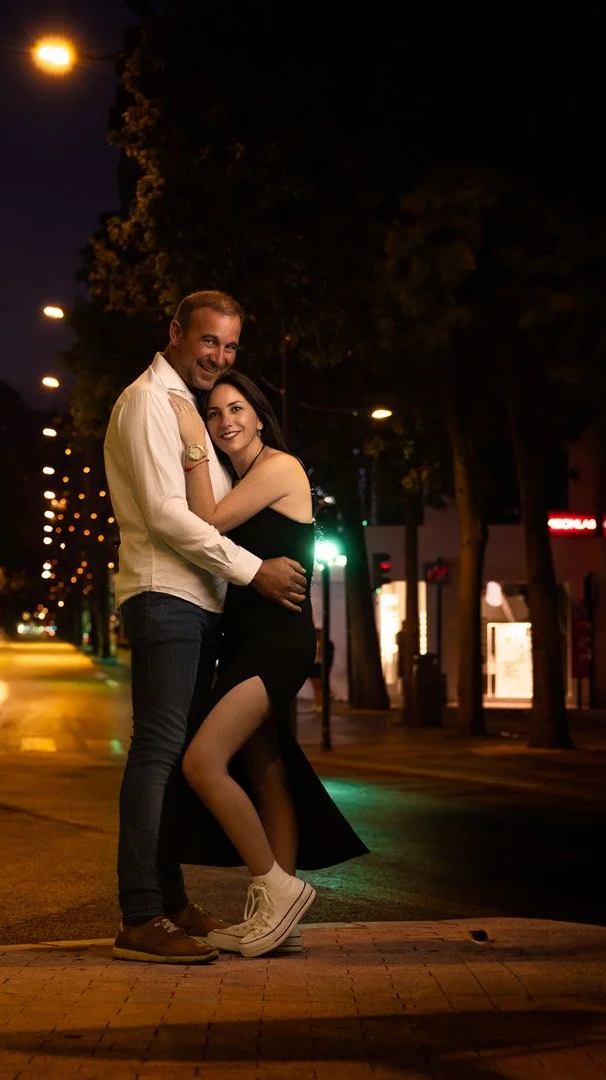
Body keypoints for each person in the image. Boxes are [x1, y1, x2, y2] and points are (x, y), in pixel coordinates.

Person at [103, 290, 310, 964]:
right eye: (207, 342)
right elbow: (171, 517)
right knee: (159, 753)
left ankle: (168, 902)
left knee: (176, 757)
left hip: (200, 602)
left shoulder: (191, 410)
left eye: (228, 348)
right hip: (166, 596)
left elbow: (213, 506)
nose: (217, 357)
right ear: (176, 333)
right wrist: (254, 572)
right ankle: (141, 914)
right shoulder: (146, 403)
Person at [164, 370, 368, 958]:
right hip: (247, 638)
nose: (225, 420)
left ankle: (277, 887)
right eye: (211, 413)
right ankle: (279, 921)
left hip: (276, 642)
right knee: (267, 767)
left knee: (203, 762)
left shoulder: (280, 467)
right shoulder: (244, 476)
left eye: (235, 409)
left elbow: (205, 522)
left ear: (258, 414)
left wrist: (192, 445)